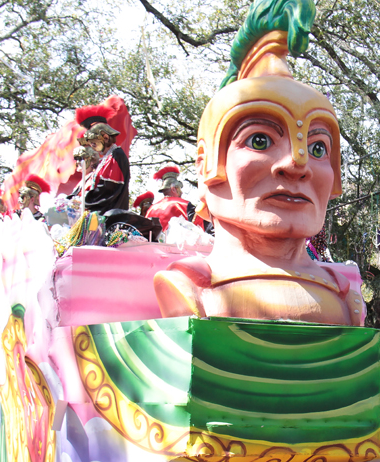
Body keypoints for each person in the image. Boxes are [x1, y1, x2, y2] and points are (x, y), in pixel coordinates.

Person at [153, 1, 362, 325]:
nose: (297, 164)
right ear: (207, 165)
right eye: (260, 140)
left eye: (318, 148)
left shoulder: (344, 294)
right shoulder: (188, 286)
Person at [75, 104, 131, 214]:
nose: (92, 147)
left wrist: (83, 200)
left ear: (105, 138)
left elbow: (108, 189)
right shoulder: (107, 158)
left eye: (94, 143)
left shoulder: (116, 155)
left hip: (110, 214)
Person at [145, 166, 205, 231]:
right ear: (173, 189)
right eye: (179, 189)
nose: (181, 193)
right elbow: (199, 228)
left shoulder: (151, 209)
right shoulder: (184, 205)